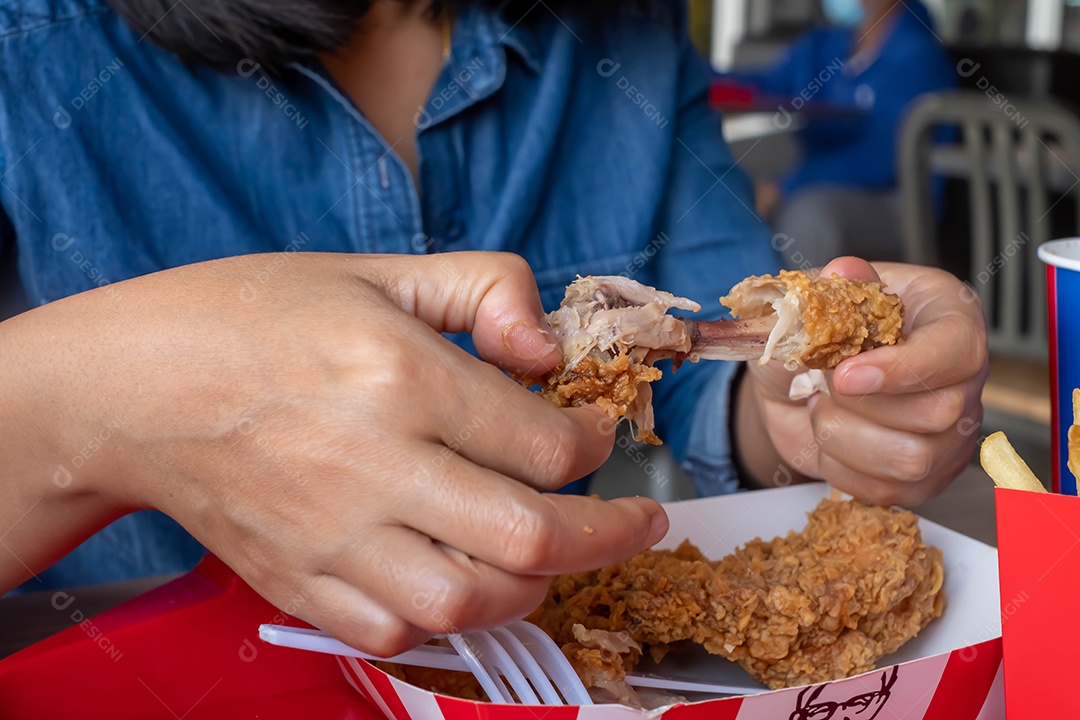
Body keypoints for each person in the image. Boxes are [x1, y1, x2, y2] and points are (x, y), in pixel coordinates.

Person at [0, 0, 986, 657]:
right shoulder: (31, 45)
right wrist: (123, 400)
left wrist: (814, 414)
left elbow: (713, 369)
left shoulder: (624, 33)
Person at [725, 0, 957, 266]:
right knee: (735, 193)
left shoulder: (918, 56)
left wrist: (783, 188)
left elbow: (881, 159)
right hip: (814, 184)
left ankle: (803, 306)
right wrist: (698, 78)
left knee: (809, 216)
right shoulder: (827, 44)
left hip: (896, 202)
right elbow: (766, 85)